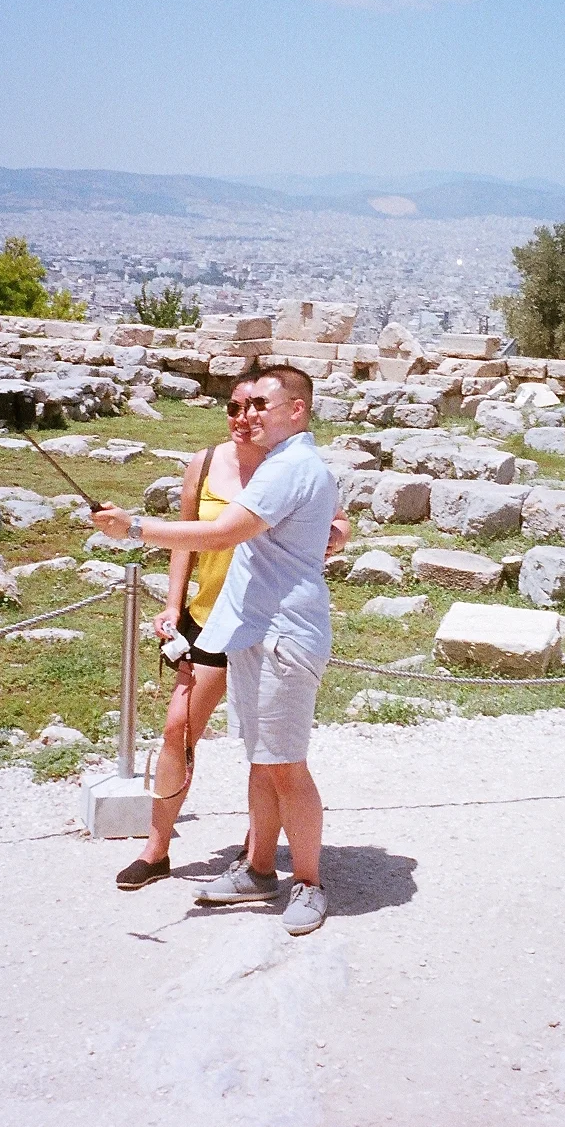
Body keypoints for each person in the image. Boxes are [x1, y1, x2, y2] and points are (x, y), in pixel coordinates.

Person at [92, 366, 338, 935]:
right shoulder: (282, 464)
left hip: (281, 632)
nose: (248, 415)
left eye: (262, 405)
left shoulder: (292, 467)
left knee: (286, 765)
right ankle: (257, 869)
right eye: (242, 406)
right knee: (261, 758)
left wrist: (134, 530)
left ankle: (309, 881)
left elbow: (224, 533)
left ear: (296, 410)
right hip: (252, 630)